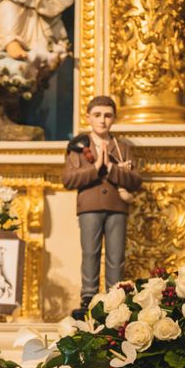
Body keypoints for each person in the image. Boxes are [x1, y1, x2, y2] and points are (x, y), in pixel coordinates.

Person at [62, 96, 142, 319]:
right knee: (90, 252)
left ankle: (115, 296)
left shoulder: (122, 147)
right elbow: (68, 179)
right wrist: (97, 167)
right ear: (88, 118)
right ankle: (88, 297)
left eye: (107, 115)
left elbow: (136, 180)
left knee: (116, 255)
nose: (102, 120)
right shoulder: (78, 147)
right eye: (97, 115)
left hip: (117, 207)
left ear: (114, 118)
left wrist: (112, 169)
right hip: (89, 207)